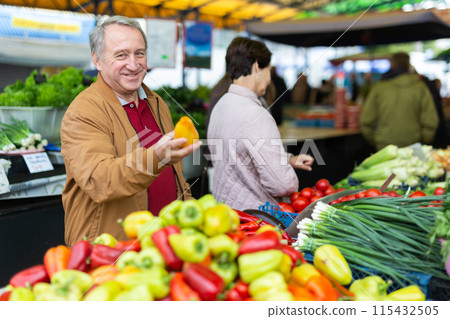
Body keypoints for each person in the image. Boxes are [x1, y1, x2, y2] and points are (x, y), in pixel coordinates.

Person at [60, 16, 201, 246]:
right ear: (97, 60)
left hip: (164, 246)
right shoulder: (84, 112)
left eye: (139, 53)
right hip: (111, 250)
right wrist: (156, 157)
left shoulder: (157, 103)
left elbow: (177, 178)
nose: (133, 64)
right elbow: (100, 180)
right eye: (121, 55)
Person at [207, 37, 314, 210]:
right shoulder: (256, 114)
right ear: (257, 67)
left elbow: (237, 155)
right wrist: (287, 174)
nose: (270, 80)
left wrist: (288, 160)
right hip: (257, 218)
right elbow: (282, 184)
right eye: (268, 71)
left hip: (227, 211)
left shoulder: (222, 105)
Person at [360, 52, 438, 150]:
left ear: (392, 64)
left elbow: (365, 121)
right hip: (413, 144)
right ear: (408, 65)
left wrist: (376, 139)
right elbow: (430, 119)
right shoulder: (420, 87)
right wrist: (424, 139)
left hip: (384, 146)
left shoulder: (379, 87)